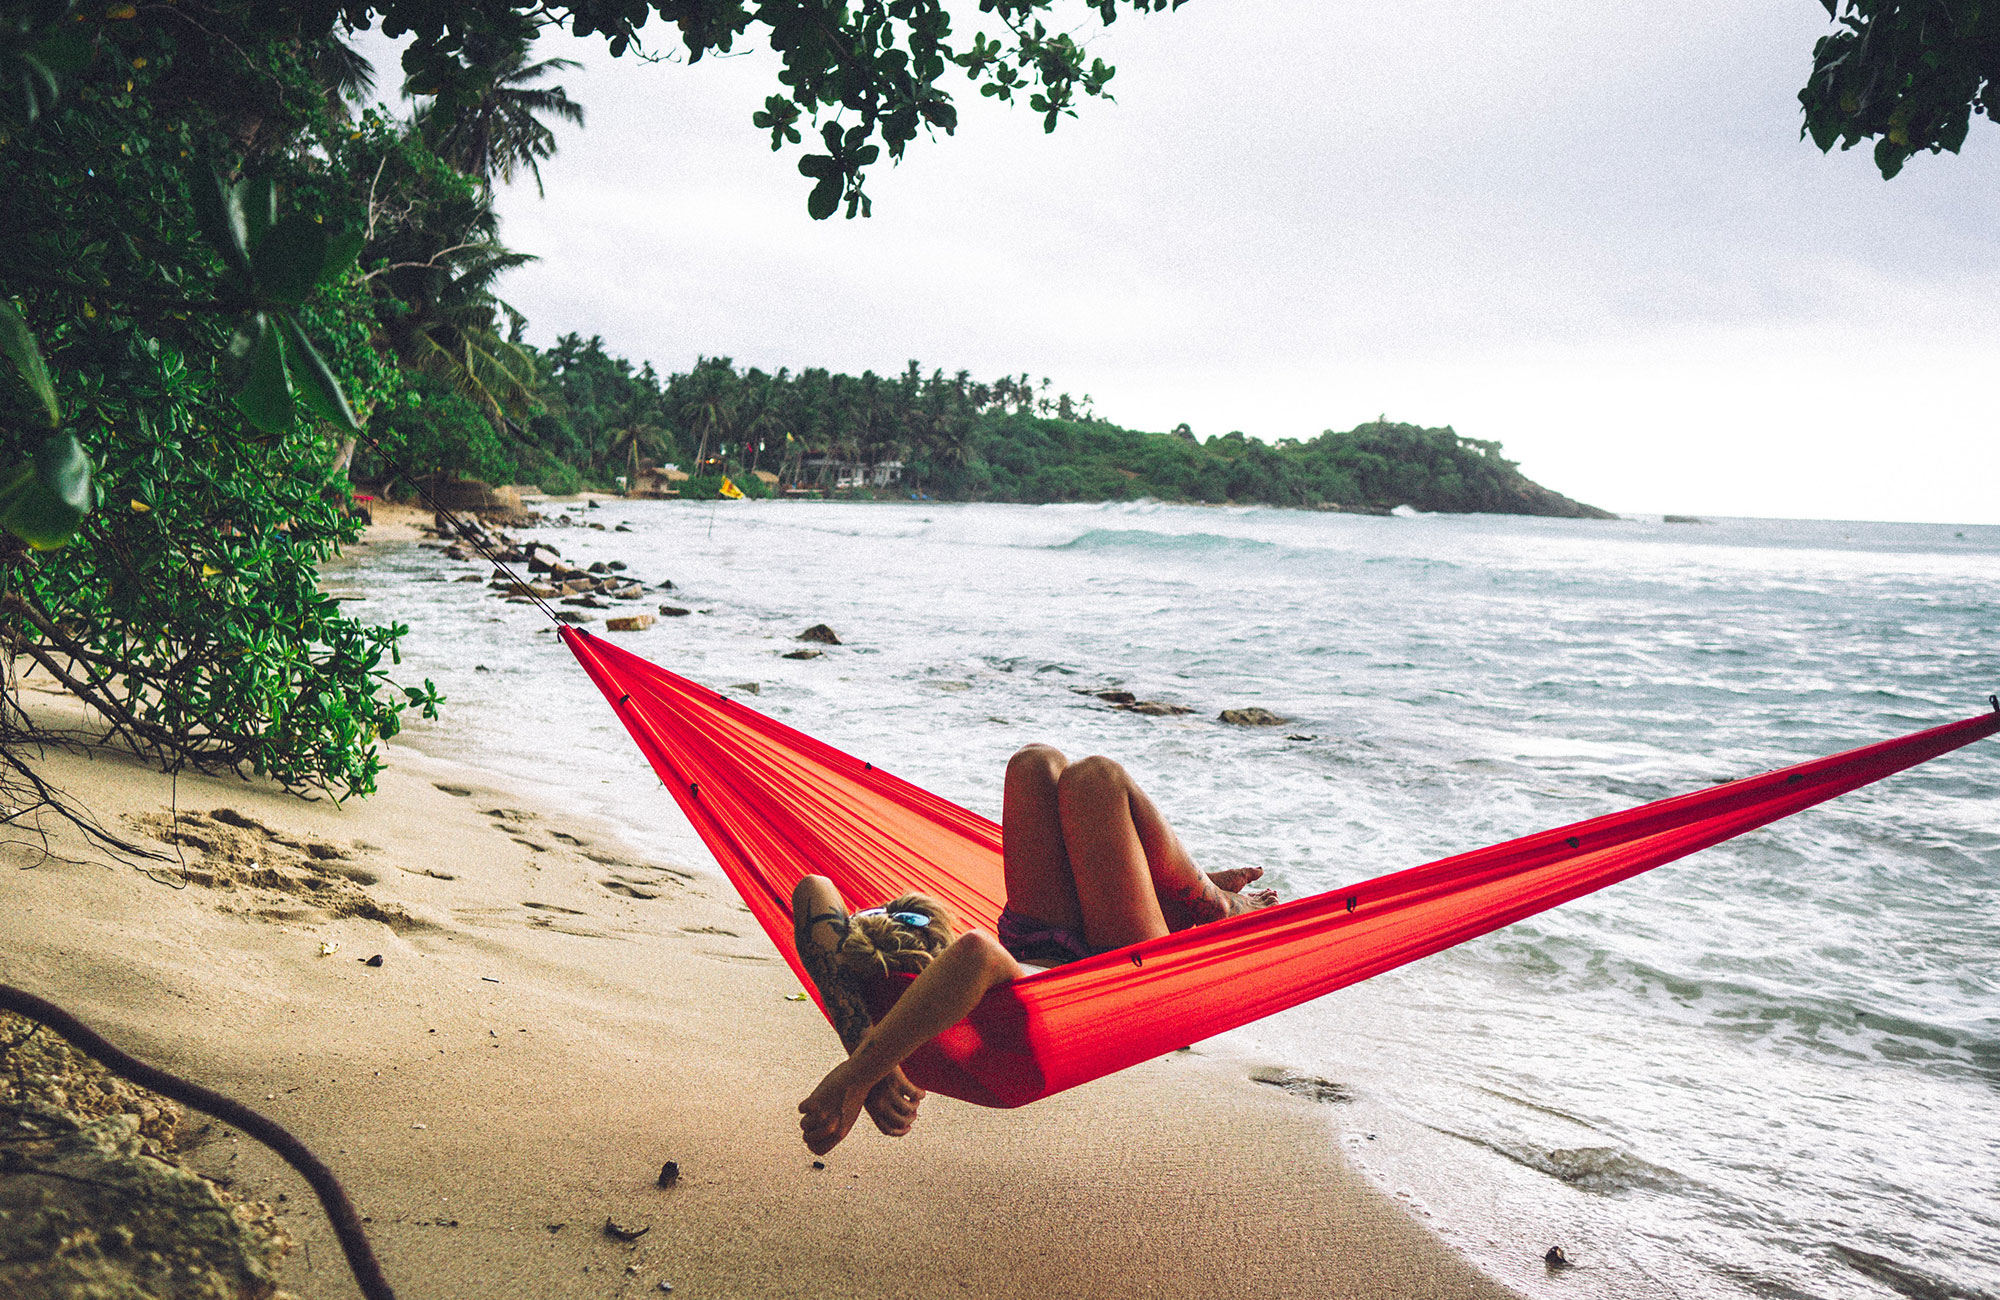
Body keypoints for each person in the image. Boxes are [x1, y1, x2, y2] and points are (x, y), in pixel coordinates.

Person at [792, 744, 1278, 1155]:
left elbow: (813, 888)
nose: (887, 911)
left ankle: (1168, 893)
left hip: (1036, 939)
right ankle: (1215, 904)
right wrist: (854, 1080)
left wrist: (866, 1057)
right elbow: (976, 953)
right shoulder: (944, 990)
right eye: (906, 916)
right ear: (927, 949)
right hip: (1102, 977)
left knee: (1033, 764)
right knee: (1098, 779)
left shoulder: (862, 999)